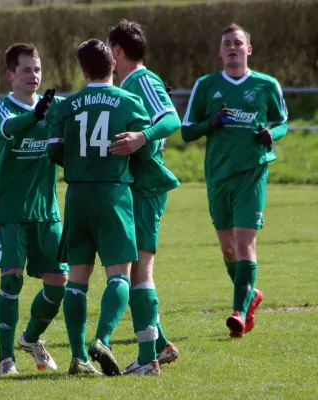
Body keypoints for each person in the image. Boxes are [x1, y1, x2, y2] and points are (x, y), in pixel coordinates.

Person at [47, 38, 159, 376]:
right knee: (120, 277)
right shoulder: (129, 101)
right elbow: (146, 149)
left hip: (78, 196)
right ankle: (104, 339)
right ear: (113, 64)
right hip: (113, 196)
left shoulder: (66, 105)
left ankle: (79, 358)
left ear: (83, 70)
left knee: (77, 281)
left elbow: (54, 152)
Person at [181, 23, 288, 338]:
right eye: (226, 43)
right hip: (218, 175)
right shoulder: (206, 85)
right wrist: (210, 123)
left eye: (238, 43)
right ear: (219, 51)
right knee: (228, 249)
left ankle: (239, 312)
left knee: (244, 243)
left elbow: (281, 122)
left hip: (252, 172)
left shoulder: (266, 85)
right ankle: (250, 294)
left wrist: (273, 135)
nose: (232, 47)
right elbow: (187, 131)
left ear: (248, 49)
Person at [0, 43, 68, 375]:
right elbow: (9, 129)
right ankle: (6, 358)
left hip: (46, 210)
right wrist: (36, 115)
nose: (33, 76)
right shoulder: (0, 108)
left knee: (58, 284)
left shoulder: (56, 107)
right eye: (25, 70)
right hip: (9, 210)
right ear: (11, 75)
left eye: (36, 69)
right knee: (11, 282)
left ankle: (31, 338)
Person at [106, 19, 182, 375]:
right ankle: (161, 346)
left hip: (147, 187)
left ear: (117, 51)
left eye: (109, 49)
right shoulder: (128, 84)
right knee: (136, 270)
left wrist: (142, 137)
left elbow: (171, 120)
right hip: (135, 187)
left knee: (141, 271)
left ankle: (147, 359)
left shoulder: (142, 80)